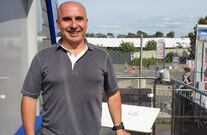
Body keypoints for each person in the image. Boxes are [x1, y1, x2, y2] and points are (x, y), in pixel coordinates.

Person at [21, 1, 130, 135]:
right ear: (58, 23)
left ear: (86, 22)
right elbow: (30, 98)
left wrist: (118, 128)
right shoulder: (42, 58)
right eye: (67, 19)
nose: (74, 25)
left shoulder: (102, 57)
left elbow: (112, 94)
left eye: (79, 18)